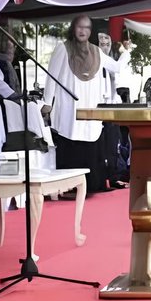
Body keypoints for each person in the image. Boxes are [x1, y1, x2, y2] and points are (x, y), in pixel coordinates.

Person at [44, 15, 129, 193]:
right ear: (73, 29)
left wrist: (126, 52)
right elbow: (51, 77)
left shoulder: (97, 52)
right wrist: (47, 102)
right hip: (69, 108)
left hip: (90, 109)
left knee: (91, 143)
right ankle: (67, 187)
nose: (83, 31)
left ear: (91, 31)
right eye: (79, 27)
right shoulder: (63, 48)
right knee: (70, 141)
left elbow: (117, 68)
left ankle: (91, 185)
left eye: (87, 28)